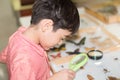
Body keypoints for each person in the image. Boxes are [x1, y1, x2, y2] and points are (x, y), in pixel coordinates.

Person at [0, 0, 80, 80]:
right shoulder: (24, 61)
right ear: (46, 26)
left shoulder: (20, 34)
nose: (60, 42)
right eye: (62, 37)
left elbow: (5, 55)